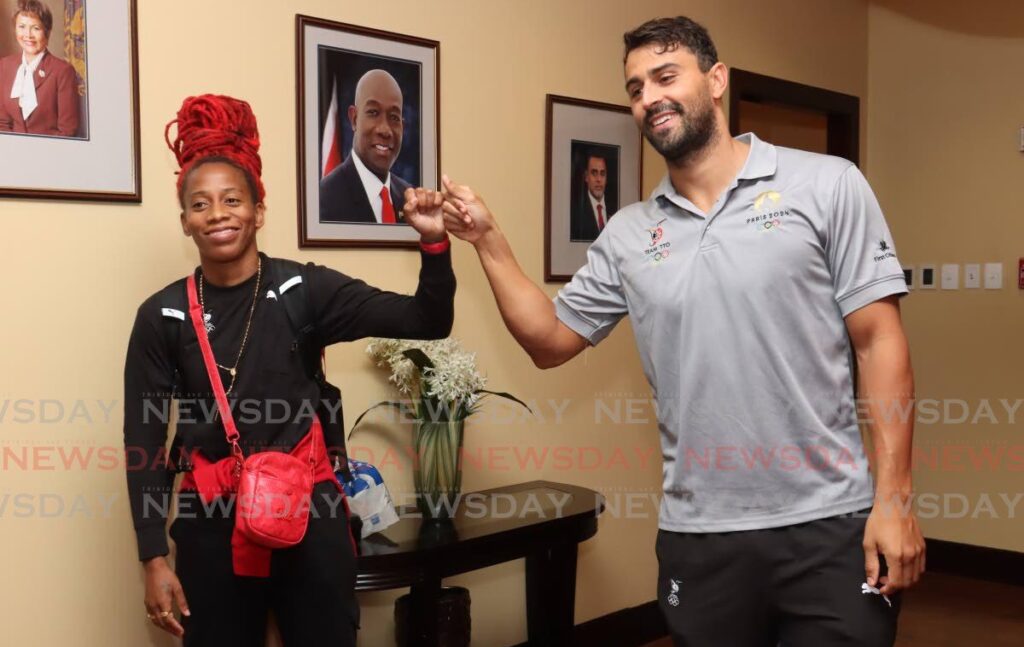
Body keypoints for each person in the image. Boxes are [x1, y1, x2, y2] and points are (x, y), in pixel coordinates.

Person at [439, 15, 924, 647]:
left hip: (830, 528)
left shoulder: (827, 184)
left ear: (716, 80)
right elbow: (550, 339)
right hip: (701, 540)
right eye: (636, 88)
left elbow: (879, 343)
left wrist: (894, 500)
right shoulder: (629, 235)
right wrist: (488, 241)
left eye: (665, 76)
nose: (649, 98)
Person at [123, 94, 454, 645]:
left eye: (233, 199)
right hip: (211, 525)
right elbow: (145, 440)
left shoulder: (305, 289)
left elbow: (428, 319)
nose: (218, 214)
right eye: (200, 204)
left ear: (258, 209)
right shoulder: (163, 315)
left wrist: (432, 240)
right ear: (185, 221)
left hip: (310, 519)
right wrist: (152, 556)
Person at [320, 69, 412, 224]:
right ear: (354, 119)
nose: (385, 130)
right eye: (374, 113)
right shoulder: (324, 198)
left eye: (394, 117)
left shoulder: (410, 199)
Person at [0, 0, 79, 137]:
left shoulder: (63, 72)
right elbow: (2, 123)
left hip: (49, 154)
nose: (28, 35)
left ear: (47, 32)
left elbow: (68, 131)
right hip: (12, 153)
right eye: (22, 26)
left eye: (36, 28)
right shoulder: (5, 66)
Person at [570, 152, 616, 241]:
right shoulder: (576, 213)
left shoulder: (615, 210)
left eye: (602, 174)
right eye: (594, 173)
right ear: (586, 177)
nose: (599, 179)